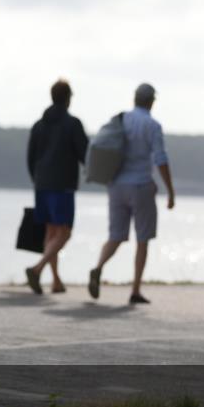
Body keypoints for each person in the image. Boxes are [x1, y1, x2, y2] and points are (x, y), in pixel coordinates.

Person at [88, 83, 175, 304]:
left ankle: (98, 267)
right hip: (141, 186)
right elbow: (160, 159)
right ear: (151, 101)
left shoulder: (122, 120)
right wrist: (170, 191)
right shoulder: (153, 126)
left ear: (134, 99)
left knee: (116, 236)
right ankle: (135, 289)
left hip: (116, 186)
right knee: (143, 239)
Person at [24, 79, 89, 295]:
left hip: (41, 182)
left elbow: (31, 156)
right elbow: (84, 153)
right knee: (64, 233)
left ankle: (55, 280)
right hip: (62, 185)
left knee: (51, 231)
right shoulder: (73, 124)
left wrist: (36, 178)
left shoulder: (38, 125)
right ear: (68, 98)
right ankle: (37, 268)